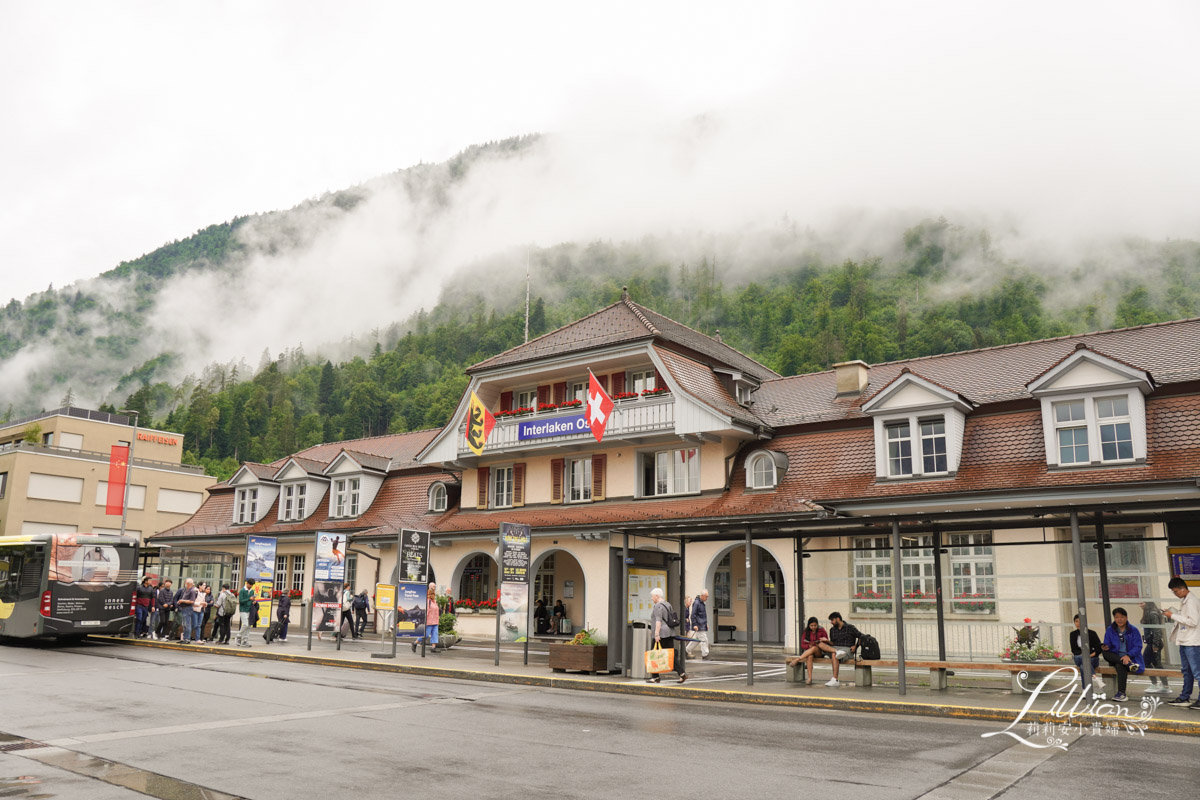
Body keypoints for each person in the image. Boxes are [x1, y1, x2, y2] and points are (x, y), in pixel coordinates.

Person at [1164, 577, 1200, 709]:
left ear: (1183, 589)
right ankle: (1185, 697)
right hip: (1185, 641)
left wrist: (1172, 616)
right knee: (1187, 671)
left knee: (1197, 672)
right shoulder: (1185, 600)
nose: (1175, 594)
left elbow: (1193, 621)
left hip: (1192, 642)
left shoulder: (1192, 601)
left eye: (1175, 591)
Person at [1101, 607, 1144, 701]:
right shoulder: (1110, 629)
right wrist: (1106, 646)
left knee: (1120, 665)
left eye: (1122, 617)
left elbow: (1138, 646)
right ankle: (1129, 665)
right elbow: (1107, 642)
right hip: (1115, 656)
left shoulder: (1133, 630)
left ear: (1126, 617)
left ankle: (1121, 693)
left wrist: (1128, 656)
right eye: (1116, 617)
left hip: (1130, 657)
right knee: (1105, 653)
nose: (1119, 619)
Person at [647, 587, 686, 684]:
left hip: (661, 634)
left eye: (652, 596)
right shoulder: (667, 604)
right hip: (670, 632)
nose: (652, 598)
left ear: (656, 596)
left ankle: (655, 677)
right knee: (670, 655)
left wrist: (656, 634)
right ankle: (682, 674)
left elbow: (658, 621)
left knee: (653, 655)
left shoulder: (658, 606)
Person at [786, 617, 840, 686]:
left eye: (815, 625)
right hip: (809, 652)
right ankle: (810, 678)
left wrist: (819, 642)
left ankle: (798, 659)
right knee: (810, 656)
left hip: (820, 652)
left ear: (817, 625)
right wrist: (809, 646)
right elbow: (802, 644)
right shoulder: (806, 632)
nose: (813, 627)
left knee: (814, 648)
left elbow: (826, 643)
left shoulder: (822, 630)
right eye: (811, 626)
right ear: (809, 625)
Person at [1139, 601, 1171, 694]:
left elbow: (1156, 630)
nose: (1140, 605)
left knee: (1148, 662)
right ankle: (1163, 685)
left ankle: (1157, 684)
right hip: (1152, 642)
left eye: (1142, 603)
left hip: (1154, 643)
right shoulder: (1150, 613)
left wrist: (1155, 645)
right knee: (1156, 663)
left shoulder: (1152, 614)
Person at [825, 611, 860, 685]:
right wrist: (827, 641)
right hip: (835, 648)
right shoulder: (832, 630)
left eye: (832, 620)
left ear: (838, 619)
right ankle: (837, 652)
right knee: (821, 645)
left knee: (834, 654)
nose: (831, 622)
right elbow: (833, 643)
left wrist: (856, 646)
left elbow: (861, 637)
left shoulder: (850, 627)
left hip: (847, 649)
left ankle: (835, 680)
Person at [1070, 613, 1103, 691]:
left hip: (1092, 658)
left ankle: (1086, 690)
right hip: (1079, 657)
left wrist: (1089, 656)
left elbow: (1099, 648)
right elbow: (1074, 650)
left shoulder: (1092, 633)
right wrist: (1084, 656)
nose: (1078, 623)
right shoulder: (1073, 634)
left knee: (1083, 666)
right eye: (1076, 621)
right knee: (1079, 658)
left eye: (1080, 621)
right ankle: (1096, 679)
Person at [413, 582, 440, 652]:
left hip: (435, 621)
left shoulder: (434, 601)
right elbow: (427, 611)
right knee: (426, 635)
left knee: (435, 634)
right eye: (433, 587)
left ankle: (433, 648)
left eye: (435, 587)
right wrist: (424, 620)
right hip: (429, 621)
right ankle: (415, 643)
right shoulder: (428, 601)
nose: (434, 588)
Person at [686, 590, 711, 660]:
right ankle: (705, 654)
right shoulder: (697, 603)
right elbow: (693, 614)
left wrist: (706, 624)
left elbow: (702, 615)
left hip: (701, 624)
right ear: (702, 596)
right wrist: (694, 624)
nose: (707, 598)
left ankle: (686, 650)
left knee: (696, 640)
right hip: (699, 625)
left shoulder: (701, 603)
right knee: (704, 640)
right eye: (706, 596)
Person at [177, 578, 198, 644]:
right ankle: (184, 638)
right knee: (184, 624)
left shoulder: (192, 591)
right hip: (184, 608)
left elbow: (192, 601)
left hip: (187, 608)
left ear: (188, 583)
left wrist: (182, 600)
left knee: (187, 624)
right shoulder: (187, 590)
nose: (185, 584)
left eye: (186, 582)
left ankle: (187, 638)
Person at [235, 579, 255, 648]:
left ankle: (245, 640)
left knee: (249, 625)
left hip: (249, 609)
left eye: (252, 585)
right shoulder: (242, 591)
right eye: (250, 585)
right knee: (245, 624)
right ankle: (239, 635)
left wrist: (253, 601)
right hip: (243, 609)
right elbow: (241, 601)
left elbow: (251, 600)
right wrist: (249, 599)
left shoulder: (252, 591)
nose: (251, 586)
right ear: (247, 583)